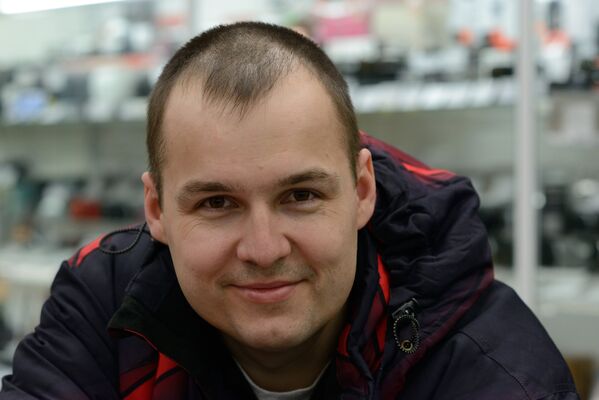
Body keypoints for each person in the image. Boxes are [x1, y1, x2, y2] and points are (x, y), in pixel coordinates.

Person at [0, 22, 579, 400]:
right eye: (217, 203)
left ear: (362, 191)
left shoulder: (489, 366)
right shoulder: (106, 305)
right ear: (156, 209)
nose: (264, 248)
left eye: (301, 196)